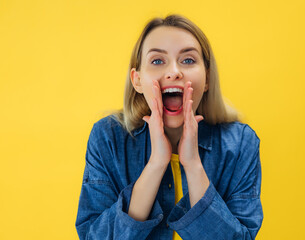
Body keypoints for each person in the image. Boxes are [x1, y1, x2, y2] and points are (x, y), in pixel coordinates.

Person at [75, 14, 263, 240]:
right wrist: (156, 163)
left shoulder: (241, 144)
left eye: (188, 60)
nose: (174, 72)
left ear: (208, 78)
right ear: (137, 80)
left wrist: (193, 165)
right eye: (157, 61)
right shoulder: (107, 138)